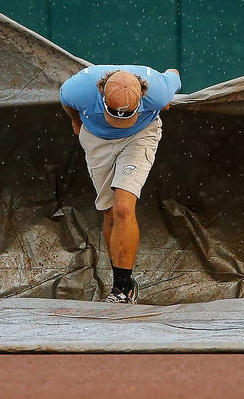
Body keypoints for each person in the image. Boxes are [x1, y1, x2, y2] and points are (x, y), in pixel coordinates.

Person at [59, 65, 181, 303]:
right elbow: (66, 100)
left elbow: (173, 74)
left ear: (143, 97)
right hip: (96, 138)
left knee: (124, 206)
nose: (120, 121)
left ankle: (122, 289)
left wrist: (165, 100)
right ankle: (122, 282)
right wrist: (76, 121)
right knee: (110, 212)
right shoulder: (79, 89)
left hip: (139, 135)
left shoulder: (158, 91)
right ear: (101, 94)